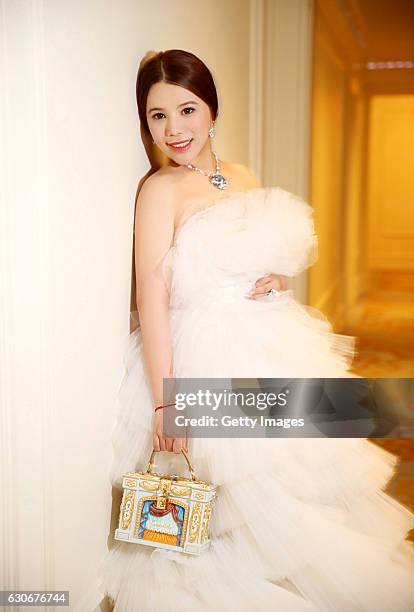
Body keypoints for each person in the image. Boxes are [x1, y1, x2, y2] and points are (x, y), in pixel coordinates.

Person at [97, 49, 414, 611]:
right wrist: (167, 403)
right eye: (157, 116)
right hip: (199, 352)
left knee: (286, 482)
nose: (174, 129)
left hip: (265, 341)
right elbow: (151, 295)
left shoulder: (240, 176)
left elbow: (243, 247)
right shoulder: (159, 191)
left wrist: (266, 276)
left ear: (212, 109)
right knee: (218, 494)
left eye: (187, 110)